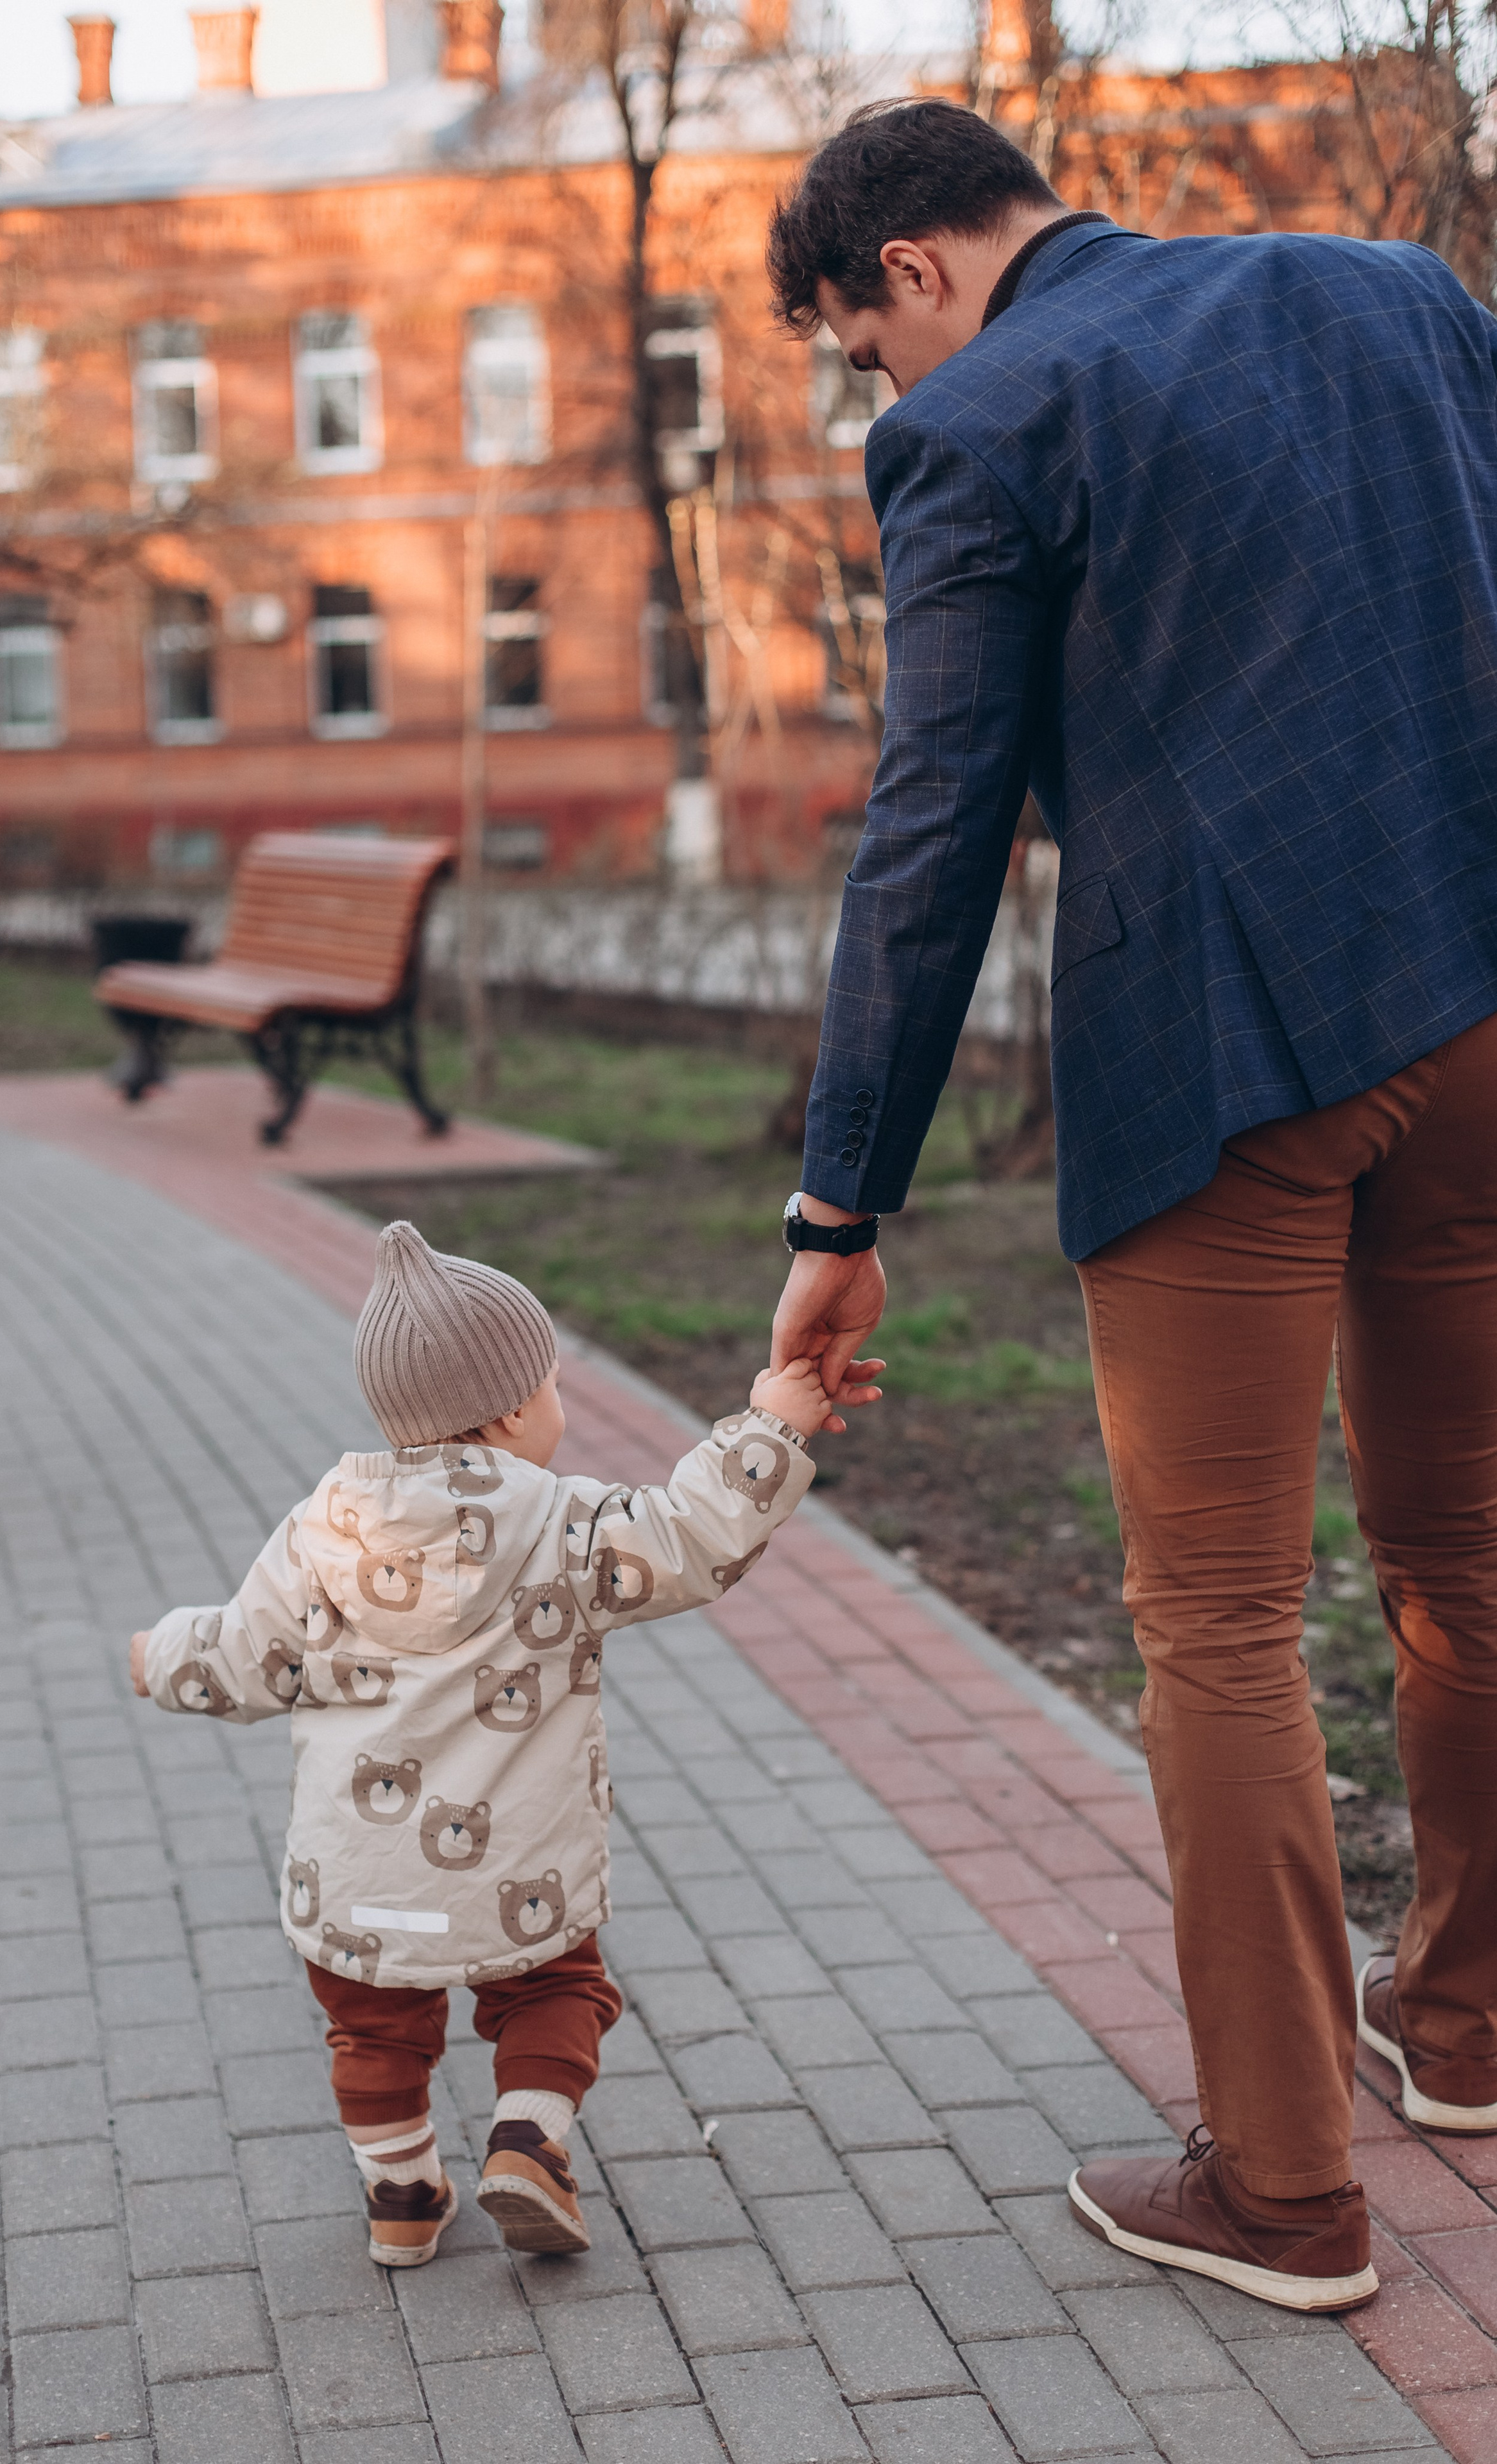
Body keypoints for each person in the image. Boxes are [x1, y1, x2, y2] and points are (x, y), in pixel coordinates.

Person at [765, 96, 1497, 2314]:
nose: (873, 398)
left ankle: (1284, 2192)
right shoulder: (1397, 292)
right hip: (1482, 1013)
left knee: (1216, 1622)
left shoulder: (980, 418)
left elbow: (933, 837)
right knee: (1466, 1554)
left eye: (854, 351)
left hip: (1232, 1072)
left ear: (906, 270)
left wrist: (836, 1209)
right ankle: (1461, 2031)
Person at [131, 1220, 875, 2265]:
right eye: (556, 1383)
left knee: (373, 2031)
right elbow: (690, 1537)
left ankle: (402, 2199)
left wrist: (159, 1653)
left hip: (352, 1876)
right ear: (518, 1407)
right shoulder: (563, 1525)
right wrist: (770, 1425)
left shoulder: (322, 1526)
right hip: (518, 1862)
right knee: (558, 1988)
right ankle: (528, 2143)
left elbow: (248, 1657)